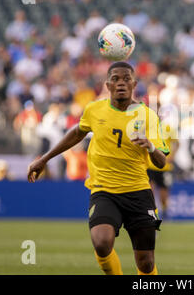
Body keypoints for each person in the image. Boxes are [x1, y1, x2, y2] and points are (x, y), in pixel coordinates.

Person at [27, 62, 170, 275]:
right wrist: (45, 158)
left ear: (134, 84)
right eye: (115, 79)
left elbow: (161, 162)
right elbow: (77, 132)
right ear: (108, 85)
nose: (121, 83)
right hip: (104, 191)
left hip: (138, 191)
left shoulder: (147, 116)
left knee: (146, 263)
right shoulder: (94, 109)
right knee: (102, 243)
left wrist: (149, 145)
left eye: (126, 79)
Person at [147, 120, 179, 219]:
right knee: (149, 191)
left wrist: (172, 156)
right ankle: (152, 212)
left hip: (165, 166)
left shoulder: (168, 127)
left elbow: (177, 143)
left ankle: (165, 212)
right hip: (150, 165)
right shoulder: (147, 126)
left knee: (163, 192)